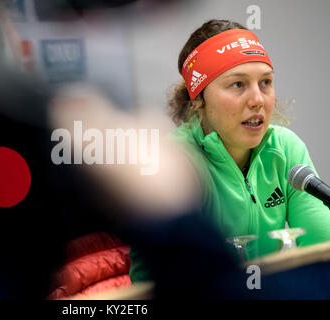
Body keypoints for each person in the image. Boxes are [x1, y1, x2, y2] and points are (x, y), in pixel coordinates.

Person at [130, 19, 330, 283]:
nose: (257, 99)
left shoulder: (286, 149)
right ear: (199, 98)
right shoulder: (174, 162)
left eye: (266, 82)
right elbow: (153, 281)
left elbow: (322, 249)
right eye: (238, 84)